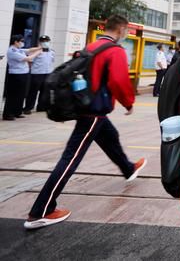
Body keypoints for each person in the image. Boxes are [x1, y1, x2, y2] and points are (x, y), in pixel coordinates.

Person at [23, 15, 147, 230]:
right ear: (122, 29)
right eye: (126, 31)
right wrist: (128, 103)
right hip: (93, 111)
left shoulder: (93, 46)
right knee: (70, 158)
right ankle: (41, 211)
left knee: (110, 136)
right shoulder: (114, 51)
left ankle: (128, 168)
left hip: (87, 107)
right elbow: (119, 80)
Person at [3, 35, 42, 121]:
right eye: (21, 41)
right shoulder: (12, 51)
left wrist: (39, 47)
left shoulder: (18, 49)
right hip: (16, 75)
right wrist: (38, 53)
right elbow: (27, 58)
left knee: (21, 95)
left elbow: (29, 50)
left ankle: (17, 112)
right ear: (15, 42)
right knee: (13, 95)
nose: (22, 42)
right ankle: (8, 114)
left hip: (23, 74)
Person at [23, 35, 55, 114]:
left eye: (46, 41)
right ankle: (28, 108)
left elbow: (52, 61)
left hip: (47, 73)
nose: (45, 43)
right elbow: (30, 61)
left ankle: (41, 107)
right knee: (33, 92)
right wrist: (31, 70)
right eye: (43, 41)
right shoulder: (35, 51)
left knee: (44, 91)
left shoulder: (52, 51)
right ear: (39, 42)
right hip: (37, 74)